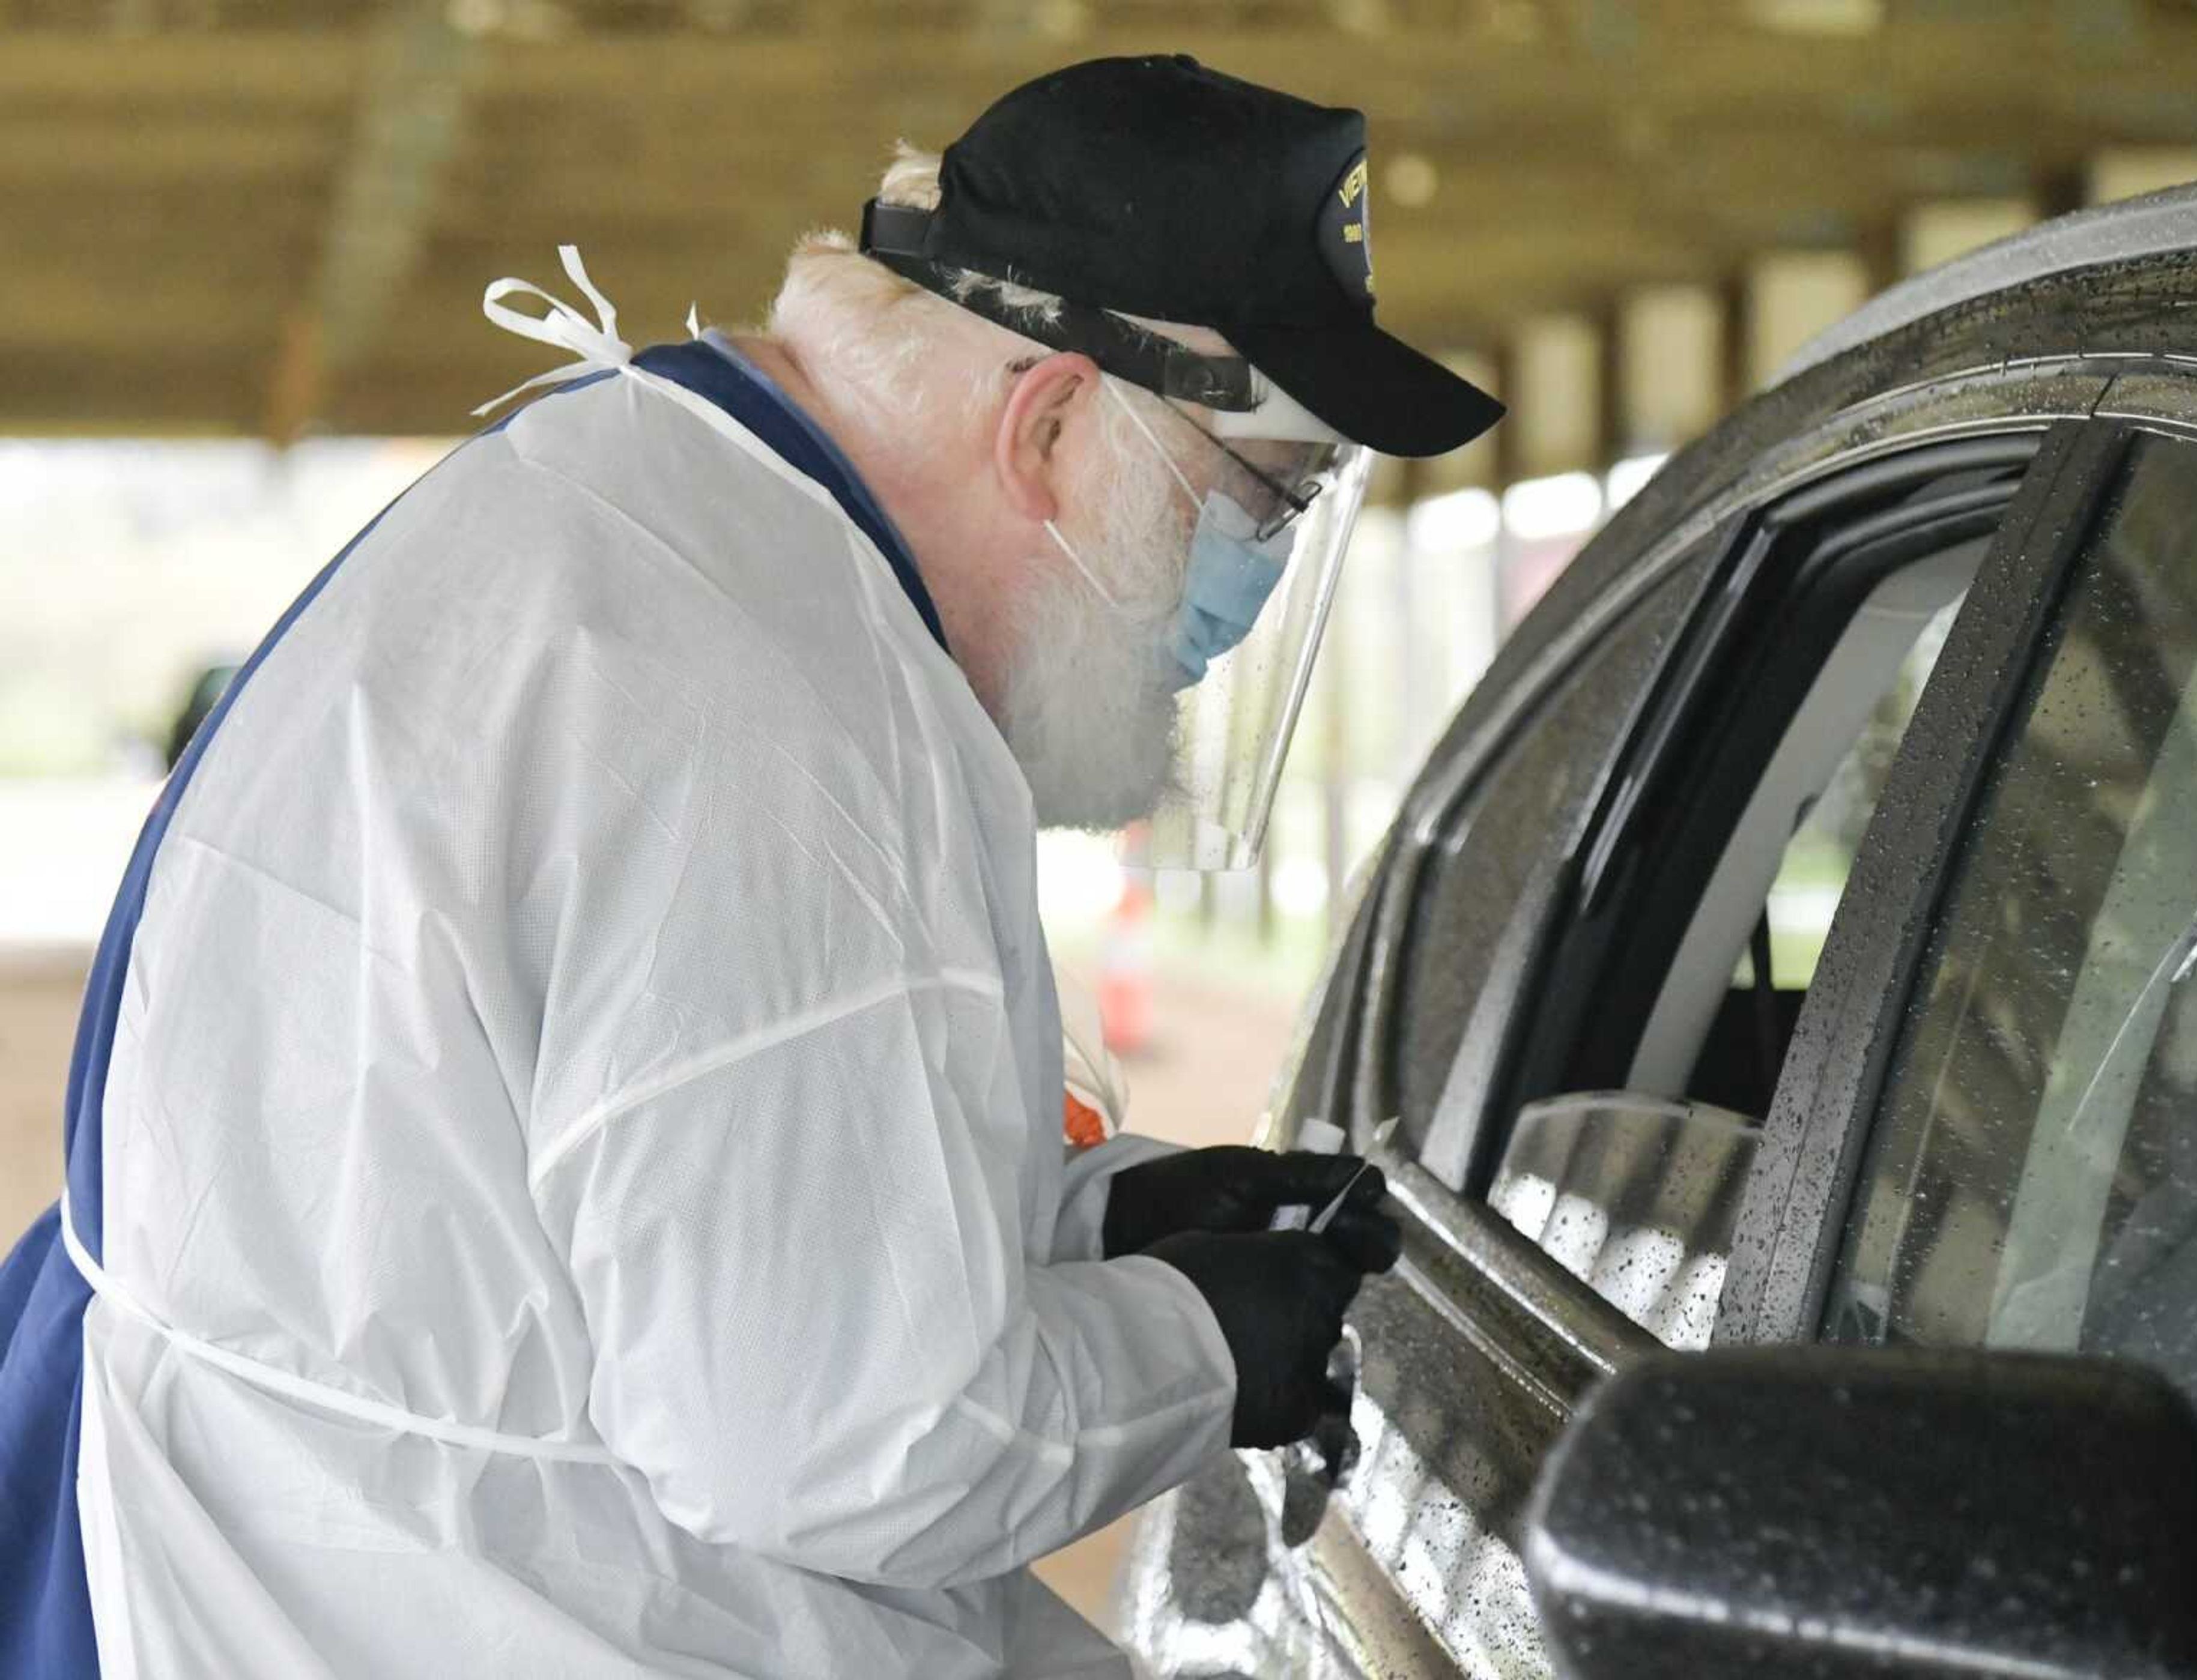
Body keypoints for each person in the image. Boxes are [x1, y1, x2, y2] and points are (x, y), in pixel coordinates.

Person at [0, 55, 1500, 1679]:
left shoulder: (673, 526)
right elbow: (849, 1437)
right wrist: (1214, 1348)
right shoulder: (780, 713)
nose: (1245, 586)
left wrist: (1087, 1229)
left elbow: (668, 1202)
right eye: (1258, 502)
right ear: (1057, 423)